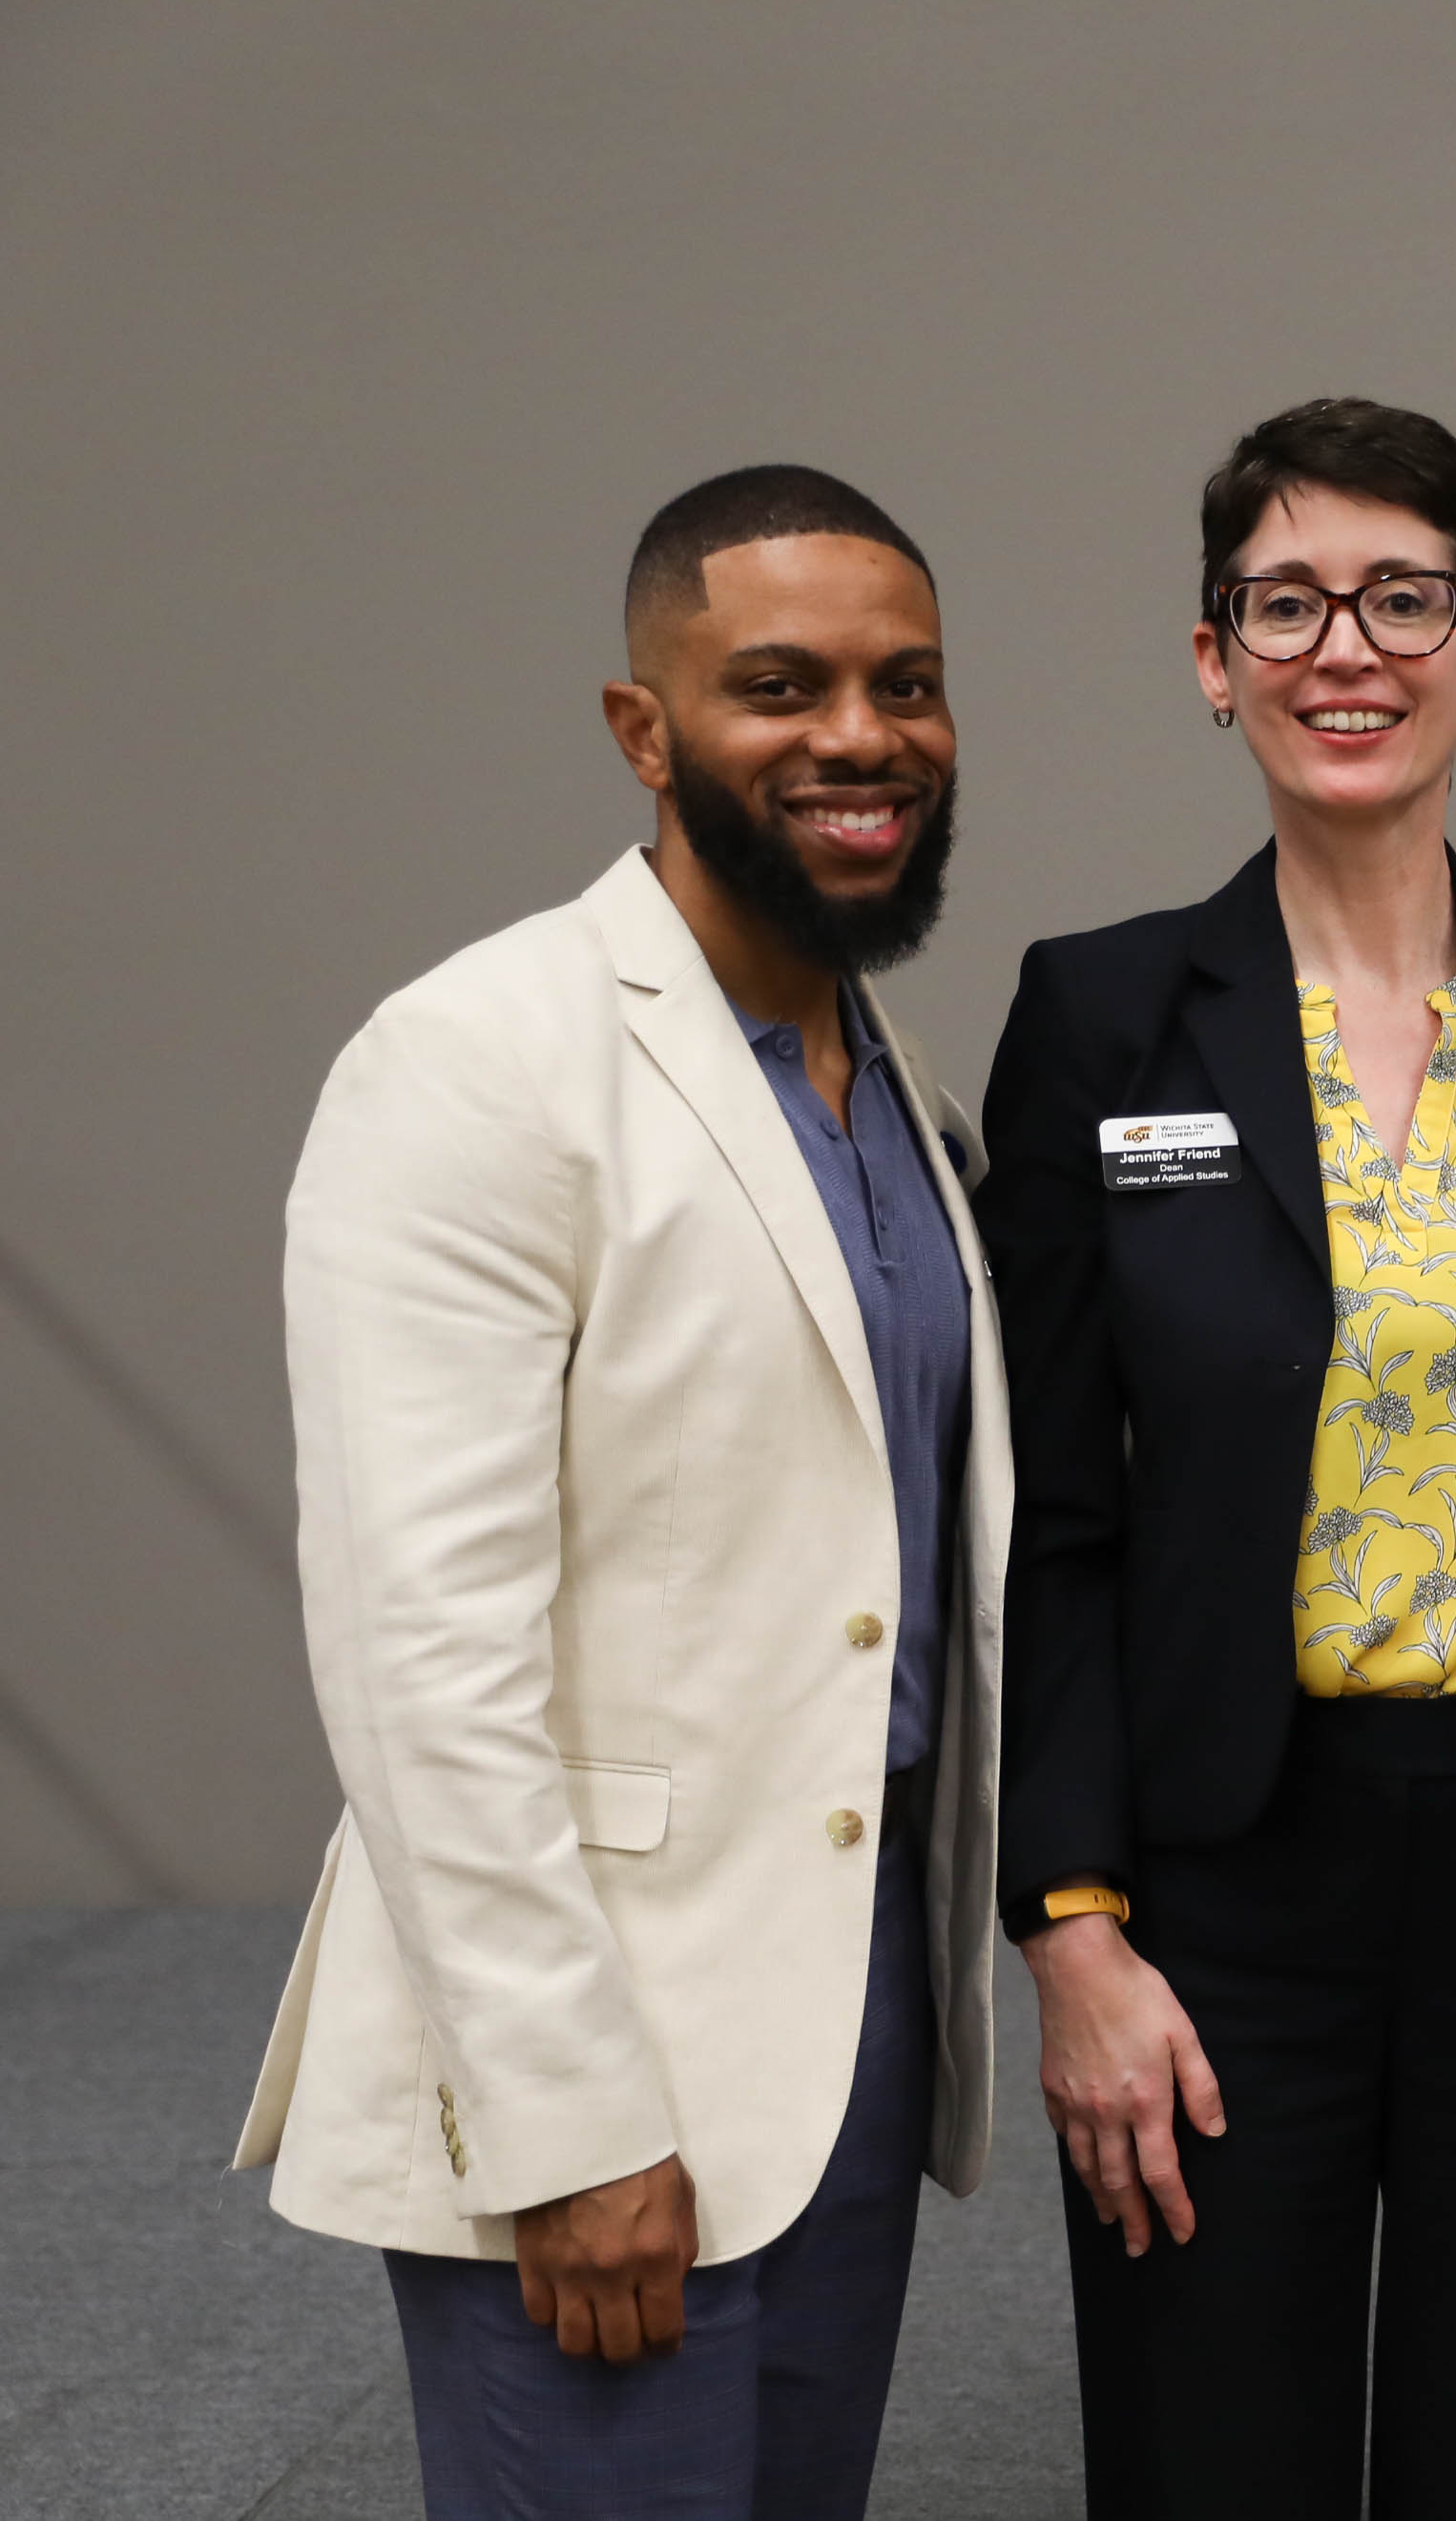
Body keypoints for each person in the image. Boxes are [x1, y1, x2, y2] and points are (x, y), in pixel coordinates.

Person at [976, 396, 1456, 2518]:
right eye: (1288, 603)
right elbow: (1051, 1518)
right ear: (1210, 656)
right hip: (1221, 1877)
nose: (1347, 650)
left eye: (1405, 600)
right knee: (1210, 2459)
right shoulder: (1101, 1016)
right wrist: (1067, 1923)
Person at [233, 466, 1009, 2517]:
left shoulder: (901, 1088)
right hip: (591, 2047)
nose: (861, 736)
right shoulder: (477, 1061)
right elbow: (419, 1651)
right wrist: (565, 2117)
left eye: (906, 684)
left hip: (847, 2008)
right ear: (642, 730)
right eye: (781, 685)